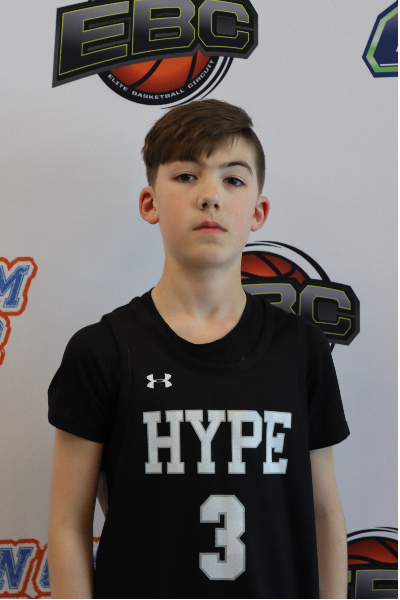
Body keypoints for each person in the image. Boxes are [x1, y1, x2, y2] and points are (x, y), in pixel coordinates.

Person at [47, 99, 350, 599]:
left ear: (258, 211)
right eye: (186, 176)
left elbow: (324, 512)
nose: (210, 195)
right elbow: (66, 525)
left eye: (233, 179)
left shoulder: (300, 350)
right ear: (149, 203)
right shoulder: (101, 351)